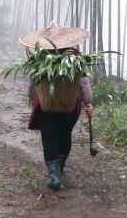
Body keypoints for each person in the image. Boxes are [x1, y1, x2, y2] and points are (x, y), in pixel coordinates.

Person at [18, 22, 94, 191]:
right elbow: (83, 81)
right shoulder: (75, 56)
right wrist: (88, 102)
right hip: (70, 104)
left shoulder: (42, 57)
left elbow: (33, 80)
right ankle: (59, 166)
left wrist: (31, 96)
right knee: (65, 134)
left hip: (47, 103)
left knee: (49, 136)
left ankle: (54, 174)